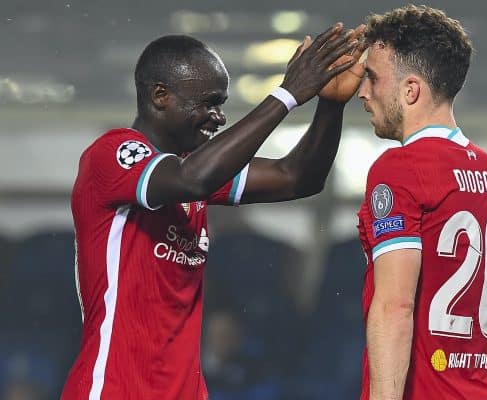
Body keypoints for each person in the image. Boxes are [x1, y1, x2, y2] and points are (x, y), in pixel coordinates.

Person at [61, 23, 366, 400]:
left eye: (221, 104)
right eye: (208, 103)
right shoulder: (112, 155)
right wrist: (286, 95)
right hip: (114, 390)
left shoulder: (196, 166)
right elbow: (192, 180)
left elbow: (297, 177)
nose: (218, 117)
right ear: (161, 96)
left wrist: (331, 104)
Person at [355, 5, 487, 400]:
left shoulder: (401, 168)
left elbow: (395, 307)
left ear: (410, 90)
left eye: (373, 79)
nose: (362, 92)